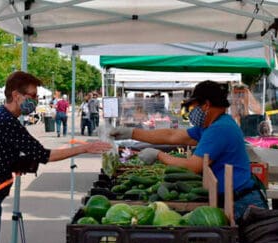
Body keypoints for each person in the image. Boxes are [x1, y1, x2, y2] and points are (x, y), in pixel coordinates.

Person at [0, 71, 111, 243]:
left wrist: (17, 163)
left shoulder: (0, 115)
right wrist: (84, 148)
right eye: (32, 96)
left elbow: (0, 152)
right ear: (16, 95)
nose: (35, 100)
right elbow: (44, 155)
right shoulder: (5, 121)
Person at [110, 80, 268, 223]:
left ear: (206, 105)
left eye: (196, 106)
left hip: (242, 202)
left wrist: (159, 155)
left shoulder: (220, 129)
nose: (193, 111)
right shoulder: (211, 126)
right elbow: (172, 135)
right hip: (234, 198)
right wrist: (130, 133)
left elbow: (193, 167)